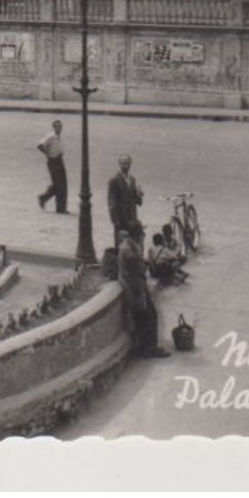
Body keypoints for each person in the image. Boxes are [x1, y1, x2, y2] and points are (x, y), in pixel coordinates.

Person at [118, 224, 170, 357]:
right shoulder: (129, 251)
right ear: (136, 235)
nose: (143, 236)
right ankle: (149, 348)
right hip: (134, 289)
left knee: (144, 317)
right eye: (141, 233)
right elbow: (140, 268)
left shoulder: (128, 246)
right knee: (148, 317)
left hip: (136, 286)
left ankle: (145, 347)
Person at [107, 153, 144, 239]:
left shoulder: (132, 179)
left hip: (132, 217)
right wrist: (115, 219)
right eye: (123, 163)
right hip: (121, 218)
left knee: (132, 240)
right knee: (121, 241)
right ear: (119, 164)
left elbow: (136, 200)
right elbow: (111, 201)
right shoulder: (114, 180)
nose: (125, 166)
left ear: (130, 164)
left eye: (127, 163)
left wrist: (138, 195)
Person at [37, 119, 70, 214]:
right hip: (53, 161)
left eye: (60, 126)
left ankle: (60, 207)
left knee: (62, 185)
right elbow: (39, 145)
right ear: (54, 127)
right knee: (58, 184)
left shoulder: (59, 137)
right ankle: (46, 199)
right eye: (57, 126)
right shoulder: (51, 136)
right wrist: (48, 153)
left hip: (60, 160)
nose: (59, 128)